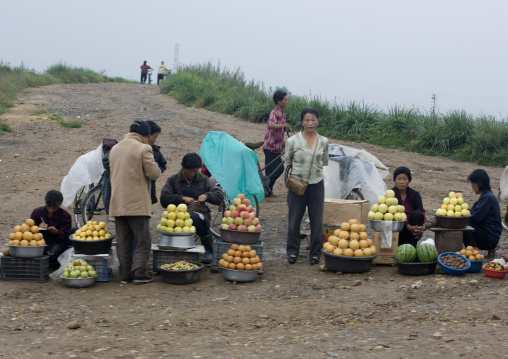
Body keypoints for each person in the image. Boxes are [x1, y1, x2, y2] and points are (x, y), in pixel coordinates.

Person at [109, 121, 161, 284]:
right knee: (143, 240)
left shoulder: (115, 149)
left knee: (123, 241)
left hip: (118, 203)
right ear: (145, 136)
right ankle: (139, 273)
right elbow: (153, 173)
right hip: (136, 204)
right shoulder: (143, 148)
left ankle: (124, 275)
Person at [160, 153, 224, 264]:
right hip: (177, 214)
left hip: (199, 212)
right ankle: (175, 250)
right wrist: (182, 198)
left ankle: (209, 250)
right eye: (189, 171)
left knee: (196, 218)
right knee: (170, 222)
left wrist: (207, 196)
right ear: (183, 168)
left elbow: (219, 195)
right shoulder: (173, 180)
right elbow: (164, 199)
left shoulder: (204, 180)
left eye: (195, 171)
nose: (192, 174)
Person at [286, 107, 329, 265]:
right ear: (302, 122)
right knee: (294, 220)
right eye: (307, 120)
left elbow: (324, 162)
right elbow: (288, 162)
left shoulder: (323, 141)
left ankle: (315, 253)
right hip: (297, 186)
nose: (310, 123)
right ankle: (292, 252)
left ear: (317, 121)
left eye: (313, 120)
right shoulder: (292, 141)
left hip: (317, 184)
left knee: (317, 221)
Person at [463, 169, 502, 250]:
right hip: (486, 234)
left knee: (464, 227)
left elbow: (475, 218)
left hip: (490, 238)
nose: (472, 186)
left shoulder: (488, 198)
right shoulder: (486, 196)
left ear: (477, 184)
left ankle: (474, 252)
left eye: (472, 183)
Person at [30, 190, 73, 264]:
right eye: (49, 206)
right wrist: (37, 228)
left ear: (60, 204)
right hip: (40, 249)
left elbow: (65, 237)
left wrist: (57, 232)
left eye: (55, 207)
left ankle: (58, 261)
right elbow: (28, 234)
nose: (51, 210)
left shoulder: (65, 216)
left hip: (57, 249)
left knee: (74, 232)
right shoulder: (37, 212)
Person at [262, 90, 291, 196]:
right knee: (277, 169)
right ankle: (264, 187)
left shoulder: (283, 113)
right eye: (285, 100)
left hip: (278, 147)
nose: (287, 102)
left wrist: (285, 128)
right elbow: (271, 125)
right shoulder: (274, 112)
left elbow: (278, 128)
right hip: (270, 146)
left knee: (273, 170)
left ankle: (268, 190)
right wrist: (283, 125)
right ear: (279, 101)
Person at [392, 166, 426, 247]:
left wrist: (421, 227)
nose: (401, 182)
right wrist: (408, 226)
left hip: (413, 229)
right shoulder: (391, 195)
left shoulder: (415, 194)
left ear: (409, 181)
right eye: (399, 179)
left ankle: (412, 247)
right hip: (399, 229)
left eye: (404, 179)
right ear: (395, 180)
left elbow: (421, 210)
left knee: (417, 215)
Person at [146, 121, 167, 204]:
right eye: (154, 137)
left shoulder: (154, 150)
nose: (154, 141)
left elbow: (163, 164)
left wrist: (155, 171)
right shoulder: (132, 147)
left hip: (149, 186)